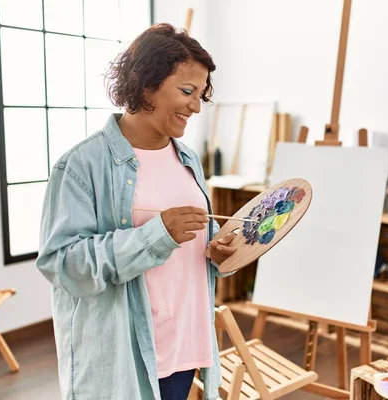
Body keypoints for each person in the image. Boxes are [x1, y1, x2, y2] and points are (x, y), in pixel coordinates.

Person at [36, 23, 237, 400]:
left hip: (185, 345)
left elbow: (185, 253)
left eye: (201, 94)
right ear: (146, 85)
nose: (196, 106)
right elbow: (61, 264)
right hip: (123, 358)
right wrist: (155, 235)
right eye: (187, 91)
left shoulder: (188, 159)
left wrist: (218, 252)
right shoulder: (82, 166)